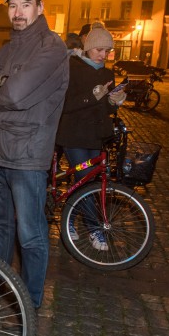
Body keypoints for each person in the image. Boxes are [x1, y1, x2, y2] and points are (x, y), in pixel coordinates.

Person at [0, 0, 69, 310]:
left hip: (26, 154)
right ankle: (0, 289)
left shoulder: (51, 46)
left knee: (31, 234)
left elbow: (14, 93)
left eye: (25, 5)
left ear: (40, 7)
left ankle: (30, 303)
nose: (18, 12)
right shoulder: (9, 48)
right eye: (12, 5)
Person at [55, 27, 127, 250]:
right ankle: (94, 228)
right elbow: (64, 105)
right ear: (87, 48)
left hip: (96, 136)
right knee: (85, 179)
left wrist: (114, 102)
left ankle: (70, 219)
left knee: (85, 181)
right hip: (73, 135)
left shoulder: (106, 73)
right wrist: (92, 96)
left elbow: (104, 108)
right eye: (99, 49)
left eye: (107, 51)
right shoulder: (71, 68)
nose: (103, 55)